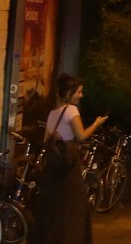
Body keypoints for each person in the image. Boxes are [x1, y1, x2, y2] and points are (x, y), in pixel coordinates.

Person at [34, 73, 108, 244]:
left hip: (54, 171)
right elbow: (81, 136)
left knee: (56, 211)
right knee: (74, 210)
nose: (81, 95)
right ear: (68, 92)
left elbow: (46, 140)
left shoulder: (53, 113)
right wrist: (96, 124)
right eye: (79, 92)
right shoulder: (71, 110)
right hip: (69, 169)